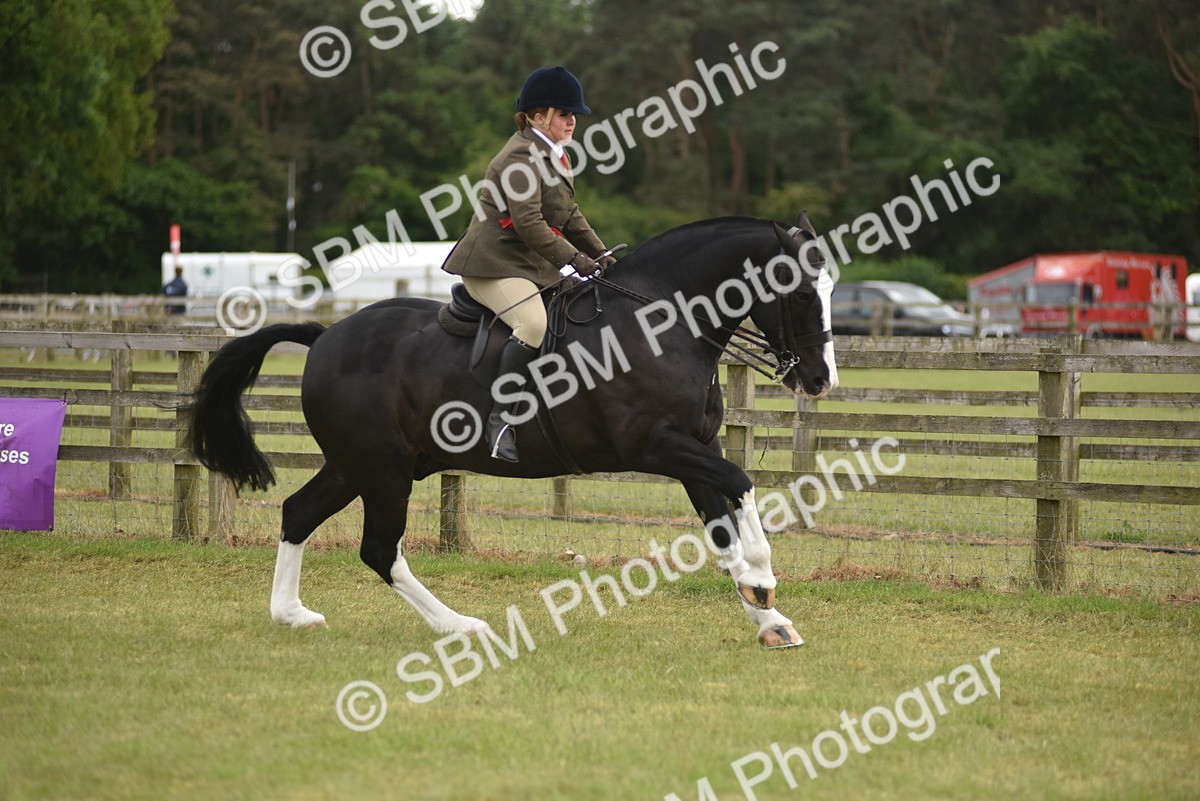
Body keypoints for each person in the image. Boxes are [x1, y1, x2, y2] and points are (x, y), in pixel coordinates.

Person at [441, 65, 615, 463]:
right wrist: (574, 258)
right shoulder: (520, 156)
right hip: (492, 264)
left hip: (528, 264)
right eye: (564, 114)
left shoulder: (553, 154)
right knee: (533, 323)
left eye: (573, 115)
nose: (572, 121)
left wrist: (604, 255)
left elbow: (569, 214)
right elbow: (529, 222)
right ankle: (500, 421)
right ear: (538, 116)